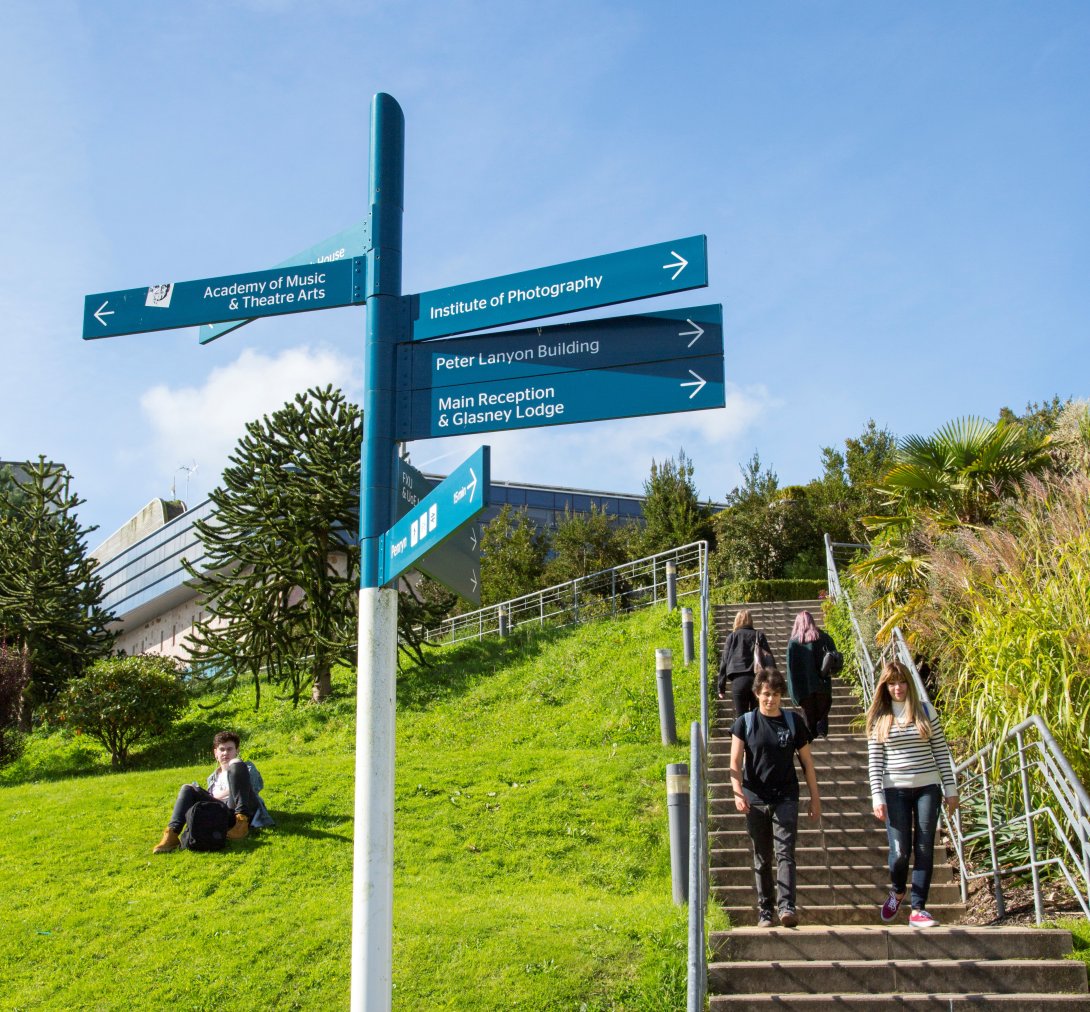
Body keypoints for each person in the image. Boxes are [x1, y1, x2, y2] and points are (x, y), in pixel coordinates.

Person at [866, 660, 959, 927]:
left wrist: (951, 790)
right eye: (892, 683)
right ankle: (897, 890)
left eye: (902, 682)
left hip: (928, 787)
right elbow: (875, 762)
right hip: (894, 789)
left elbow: (941, 751)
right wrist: (877, 796)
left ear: (909, 683)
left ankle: (918, 909)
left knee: (924, 847)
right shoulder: (879, 718)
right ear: (885, 686)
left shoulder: (925, 711)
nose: (898, 688)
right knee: (900, 853)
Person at [730, 666, 822, 928]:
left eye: (776, 694)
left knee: (785, 852)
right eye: (766, 694)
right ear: (757, 693)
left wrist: (815, 798)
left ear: (782, 695)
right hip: (755, 798)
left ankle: (787, 907)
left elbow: (807, 763)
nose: (770, 699)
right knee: (762, 856)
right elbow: (734, 763)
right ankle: (765, 909)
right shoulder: (745, 723)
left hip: (786, 797)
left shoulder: (793, 722)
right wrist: (737, 793)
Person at [152, 730, 274, 854]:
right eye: (222, 749)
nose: (225, 753)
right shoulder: (212, 778)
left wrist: (216, 796)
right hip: (223, 814)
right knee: (188, 788)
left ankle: (241, 823)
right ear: (215, 753)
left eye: (230, 749)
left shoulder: (244, 767)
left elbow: (251, 789)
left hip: (243, 809)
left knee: (235, 763)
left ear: (237, 751)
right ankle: (171, 834)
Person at [785, 610, 838, 739]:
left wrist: (793, 694)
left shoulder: (794, 643)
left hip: (804, 690)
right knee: (822, 719)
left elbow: (791, 670)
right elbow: (835, 660)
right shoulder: (825, 638)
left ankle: (810, 747)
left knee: (808, 723)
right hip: (823, 686)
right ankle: (823, 739)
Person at [717, 609, 771, 717]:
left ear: (736, 621)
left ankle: (743, 733)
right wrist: (772, 682)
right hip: (757, 680)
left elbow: (724, 662)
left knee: (741, 717)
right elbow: (768, 659)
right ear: (751, 620)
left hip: (739, 681)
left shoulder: (731, 637)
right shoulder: (758, 636)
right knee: (758, 716)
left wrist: (721, 687)